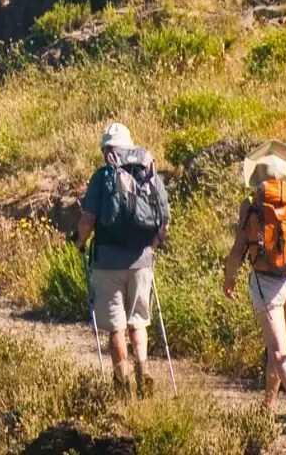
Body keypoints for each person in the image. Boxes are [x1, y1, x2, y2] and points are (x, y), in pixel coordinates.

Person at [222, 140, 286, 433]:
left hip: (266, 285)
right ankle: (268, 407)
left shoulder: (250, 206)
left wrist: (229, 278)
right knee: (278, 347)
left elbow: (237, 250)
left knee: (279, 352)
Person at [73, 123, 171, 396]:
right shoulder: (149, 172)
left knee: (116, 326)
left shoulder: (102, 177)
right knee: (138, 320)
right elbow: (164, 222)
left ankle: (122, 382)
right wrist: (151, 246)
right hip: (141, 260)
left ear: (107, 150)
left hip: (107, 262)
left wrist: (79, 242)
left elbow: (87, 221)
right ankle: (143, 370)